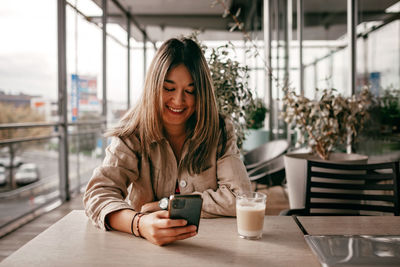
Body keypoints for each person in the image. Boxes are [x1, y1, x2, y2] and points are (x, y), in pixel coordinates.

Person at [83, 37, 251, 246]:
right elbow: (98, 193)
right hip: (143, 249)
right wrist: (139, 223)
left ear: (201, 94)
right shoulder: (132, 133)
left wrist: (163, 205)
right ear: (153, 86)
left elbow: (240, 198)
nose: (179, 101)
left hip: (212, 247)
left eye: (190, 91)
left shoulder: (219, 130)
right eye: (168, 88)